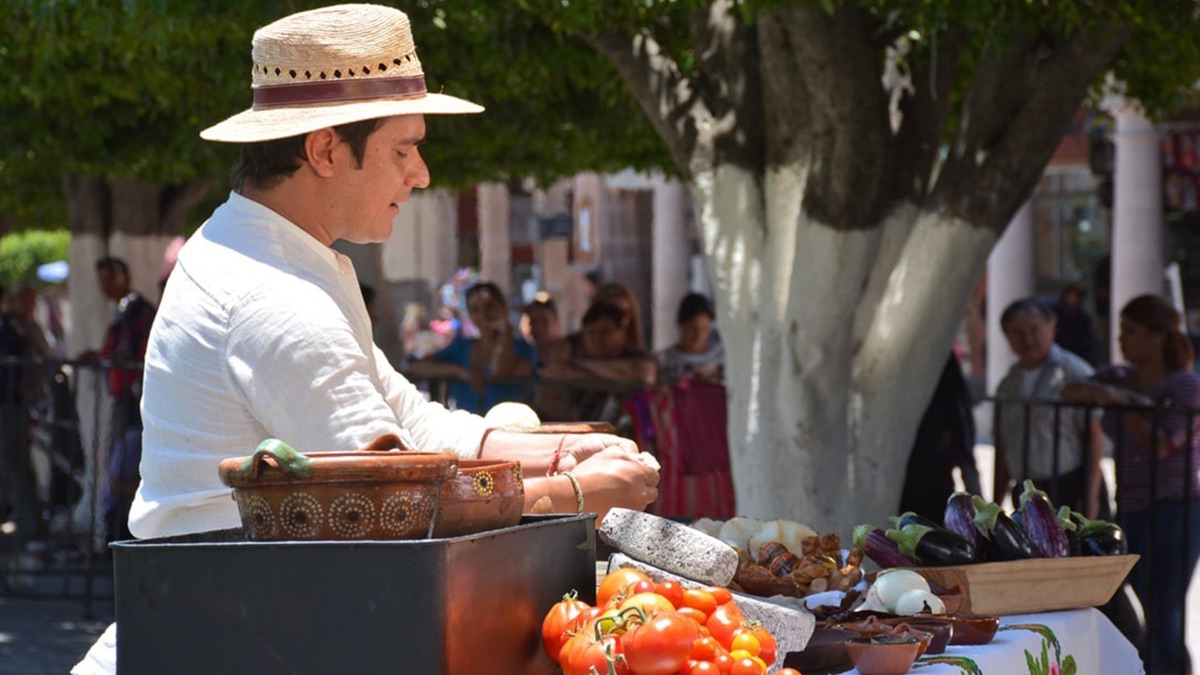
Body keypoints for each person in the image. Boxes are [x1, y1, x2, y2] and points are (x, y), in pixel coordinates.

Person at [75, 6, 659, 673]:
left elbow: (409, 424)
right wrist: (579, 491)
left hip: (238, 623)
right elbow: (400, 507)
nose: (422, 174)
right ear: (325, 149)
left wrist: (562, 449)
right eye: (403, 149)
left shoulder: (272, 250)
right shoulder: (275, 295)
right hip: (226, 637)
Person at [1064, 294, 1200, 675]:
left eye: (1131, 332)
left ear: (1158, 336)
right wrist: (1112, 393)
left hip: (1175, 508)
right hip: (1133, 508)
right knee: (1144, 603)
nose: (1122, 340)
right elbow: (1071, 391)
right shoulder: (1118, 375)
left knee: (1165, 612)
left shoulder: (1184, 385)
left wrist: (1123, 403)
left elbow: (1160, 444)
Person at [994, 297, 1106, 518]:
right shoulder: (1008, 385)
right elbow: (1004, 445)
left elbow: (1095, 437)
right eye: (1018, 333)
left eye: (1034, 330)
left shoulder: (1074, 373)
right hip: (1027, 492)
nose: (1028, 339)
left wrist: (1090, 497)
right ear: (1007, 337)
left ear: (1052, 327)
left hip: (1070, 487)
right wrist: (995, 503)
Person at [91, 257, 157, 544]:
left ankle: (129, 533)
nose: (104, 286)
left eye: (109, 278)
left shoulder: (136, 310)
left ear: (123, 276)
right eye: (101, 279)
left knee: (127, 466)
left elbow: (133, 354)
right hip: (124, 399)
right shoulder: (124, 310)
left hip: (135, 401)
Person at [409, 281, 535, 413]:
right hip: (468, 428)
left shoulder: (523, 348)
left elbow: (499, 370)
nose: (484, 315)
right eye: (475, 310)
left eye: (490, 307)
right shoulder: (460, 347)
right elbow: (418, 367)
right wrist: (461, 372)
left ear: (503, 308)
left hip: (508, 426)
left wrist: (506, 334)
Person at [898, 353, 982, 523]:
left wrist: (979, 504)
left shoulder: (943, 374)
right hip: (913, 488)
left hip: (932, 488)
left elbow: (962, 435)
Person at [0, 284, 47, 539]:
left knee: (16, 464)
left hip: (14, 406)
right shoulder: (11, 328)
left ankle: (31, 526)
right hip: (12, 406)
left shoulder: (18, 330)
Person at [658, 292, 724, 385]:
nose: (698, 335)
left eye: (704, 329)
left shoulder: (720, 358)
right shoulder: (663, 361)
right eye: (692, 328)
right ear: (680, 324)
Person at [1054, 283, 1098, 366]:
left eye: (1074, 296)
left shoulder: (1084, 317)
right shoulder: (1057, 314)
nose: (1072, 299)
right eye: (1070, 296)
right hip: (1061, 353)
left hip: (1080, 354)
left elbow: (1089, 341)